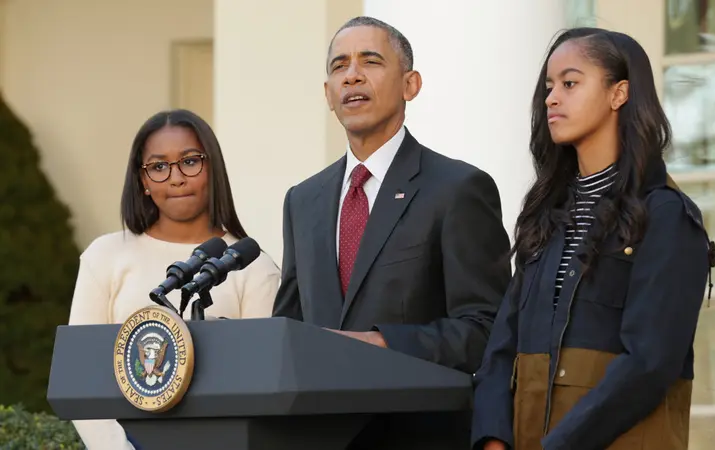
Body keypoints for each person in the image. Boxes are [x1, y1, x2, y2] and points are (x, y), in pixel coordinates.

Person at [471, 28, 715, 450]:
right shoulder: (544, 216)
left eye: (570, 83)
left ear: (618, 93)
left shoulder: (667, 216)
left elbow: (649, 363)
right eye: (549, 87)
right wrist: (492, 438)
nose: (551, 98)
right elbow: (502, 347)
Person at [272, 16, 511, 449]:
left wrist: (379, 341)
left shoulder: (457, 189)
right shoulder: (302, 200)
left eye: (371, 61)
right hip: (316, 437)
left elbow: (487, 329)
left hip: (419, 435)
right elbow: (289, 325)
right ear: (328, 94)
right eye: (339, 65)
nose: (353, 75)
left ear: (410, 84)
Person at [68, 109, 280, 449]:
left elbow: (263, 387)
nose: (176, 178)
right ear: (143, 181)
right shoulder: (104, 256)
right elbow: (80, 374)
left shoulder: (251, 267)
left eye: (190, 161)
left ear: (213, 169)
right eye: (158, 166)